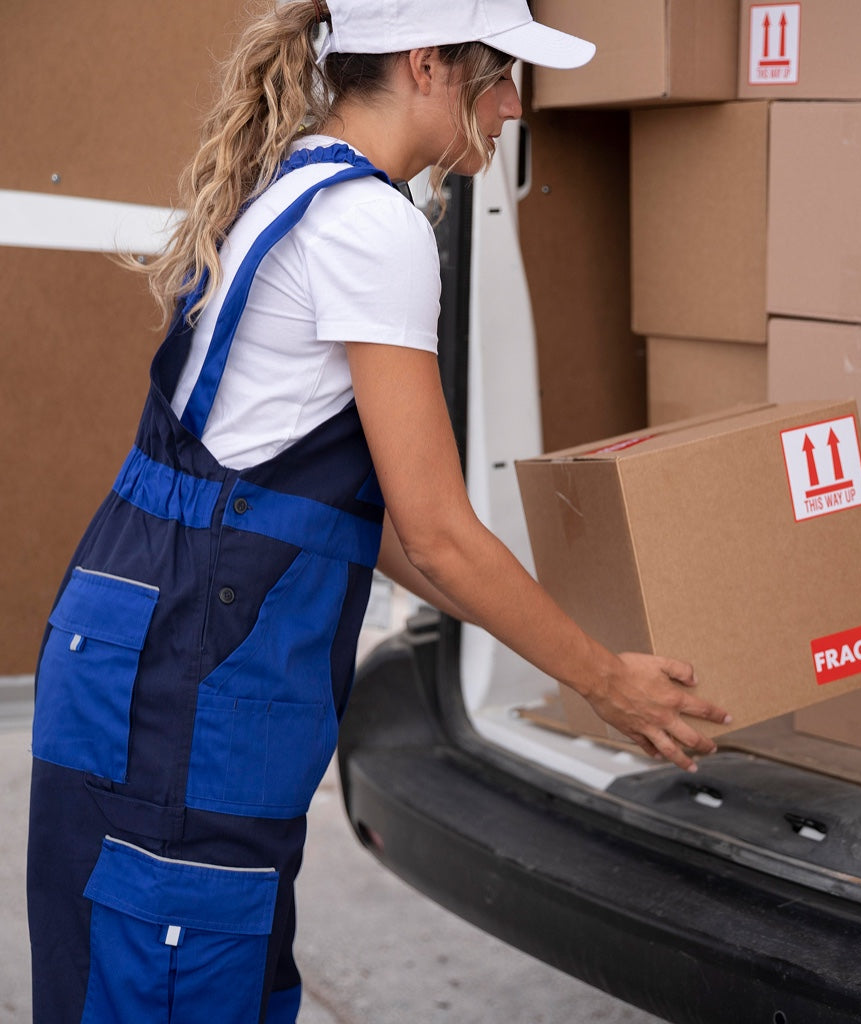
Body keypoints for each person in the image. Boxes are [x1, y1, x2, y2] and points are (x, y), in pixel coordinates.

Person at [26, 1, 731, 1021]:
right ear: (429, 63)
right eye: (500, 74)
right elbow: (440, 535)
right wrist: (601, 681)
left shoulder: (296, 180)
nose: (513, 103)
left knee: (145, 967)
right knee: (177, 971)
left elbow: (343, 512)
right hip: (194, 683)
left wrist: (537, 622)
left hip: (136, 649)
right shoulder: (374, 228)